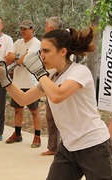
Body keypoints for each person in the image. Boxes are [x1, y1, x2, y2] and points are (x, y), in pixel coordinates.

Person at [0, 27, 112, 179]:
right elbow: (23, 99)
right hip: (69, 147)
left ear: (63, 51)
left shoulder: (80, 72)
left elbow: (58, 95)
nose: (41, 56)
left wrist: (39, 72)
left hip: (94, 145)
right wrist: (5, 80)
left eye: (46, 51)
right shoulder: (50, 75)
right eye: (41, 51)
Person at [4, 20, 41, 148]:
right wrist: (18, 57)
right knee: (17, 110)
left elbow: (24, 59)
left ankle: (37, 136)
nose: (23, 31)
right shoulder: (18, 42)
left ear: (32, 29)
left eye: (25, 29)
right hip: (18, 82)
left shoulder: (36, 43)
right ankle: (17, 134)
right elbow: (8, 56)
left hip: (30, 82)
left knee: (34, 110)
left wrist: (18, 57)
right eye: (21, 28)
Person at [41, 16, 63, 156]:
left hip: (60, 84)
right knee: (51, 116)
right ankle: (54, 146)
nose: (43, 55)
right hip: (50, 81)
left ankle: (60, 146)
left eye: (46, 24)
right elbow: (23, 98)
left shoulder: (63, 45)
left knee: (59, 115)